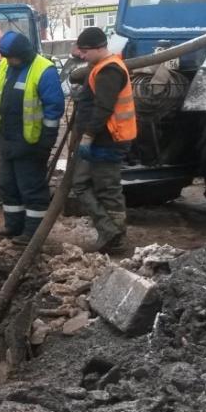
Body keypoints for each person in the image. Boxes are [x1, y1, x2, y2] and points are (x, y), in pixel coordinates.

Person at [0, 32, 65, 246]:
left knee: (31, 188)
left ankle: (33, 232)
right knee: (7, 186)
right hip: (8, 140)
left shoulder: (44, 70)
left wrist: (46, 142)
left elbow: (54, 109)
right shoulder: (5, 66)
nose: (7, 61)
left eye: (10, 57)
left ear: (22, 54)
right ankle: (14, 225)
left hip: (30, 143)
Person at [70, 26, 136, 255]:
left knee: (108, 190)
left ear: (99, 48)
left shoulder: (110, 70)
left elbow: (104, 108)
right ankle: (108, 229)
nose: (83, 55)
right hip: (102, 139)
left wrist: (88, 136)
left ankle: (116, 237)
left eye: (86, 51)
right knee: (80, 183)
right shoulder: (100, 67)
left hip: (109, 140)